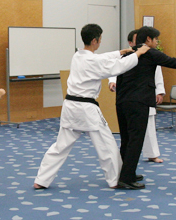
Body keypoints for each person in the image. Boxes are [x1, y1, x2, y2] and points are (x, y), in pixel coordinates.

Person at [34, 24, 148, 190]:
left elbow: (99, 59)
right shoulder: (92, 61)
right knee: (106, 144)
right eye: (100, 39)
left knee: (60, 146)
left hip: (70, 106)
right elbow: (117, 67)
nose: (101, 41)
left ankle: (41, 180)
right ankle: (116, 179)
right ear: (95, 40)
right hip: (86, 109)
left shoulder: (78, 56)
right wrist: (138, 53)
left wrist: (120, 52)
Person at [116, 26, 176, 190]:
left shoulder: (126, 53)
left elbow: (119, 78)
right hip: (138, 102)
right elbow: (174, 62)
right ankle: (126, 179)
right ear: (148, 39)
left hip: (122, 102)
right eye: (156, 40)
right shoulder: (149, 52)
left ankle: (127, 172)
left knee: (126, 140)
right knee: (136, 140)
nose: (156, 43)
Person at [109, 30, 164, 162]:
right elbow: (116, 69)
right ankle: (127, 165)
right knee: (131, 135)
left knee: (149, 125)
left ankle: (152, 154)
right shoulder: (125, 55)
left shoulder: (151, 54)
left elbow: (157, 73)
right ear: (130, 42)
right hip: (132, 97)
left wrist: (160, 91)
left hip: (146, 94)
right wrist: (112, 81)